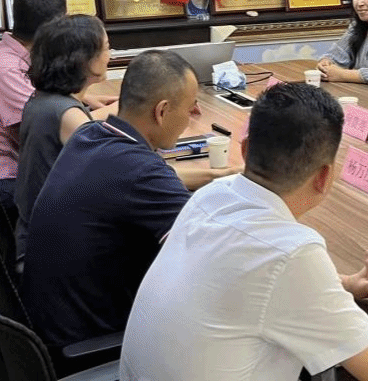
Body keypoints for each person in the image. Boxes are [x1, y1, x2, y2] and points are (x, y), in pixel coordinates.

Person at [120, 84, 368, 381]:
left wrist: (343, 284)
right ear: (324, 176)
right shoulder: (291, 253)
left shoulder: (209, 196)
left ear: (245, 149)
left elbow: (249, 281)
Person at [20, 50, 237, 353]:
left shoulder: (91, 135)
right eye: (190, 108)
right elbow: (219, 255)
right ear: (162, 111)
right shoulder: (140, 171)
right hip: (89, 341)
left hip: (51, 322)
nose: (192, 117)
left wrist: (224, 177)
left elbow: (155, 179)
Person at [14, 14, 112, 262]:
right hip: (53, 252)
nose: (110, 55)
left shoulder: (43, 99)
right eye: (106, 47)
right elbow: (116, 176)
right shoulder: (68, 115)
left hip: (36, 235)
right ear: (83, 60)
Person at [0, 0, 69, 215]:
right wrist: (118, 108)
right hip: (4, 183)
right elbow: (47, 130)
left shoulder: (4, 51)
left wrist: (90, 97)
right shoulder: (7, 69)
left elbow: (42, 97)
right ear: (53, 28)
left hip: (6, 170)